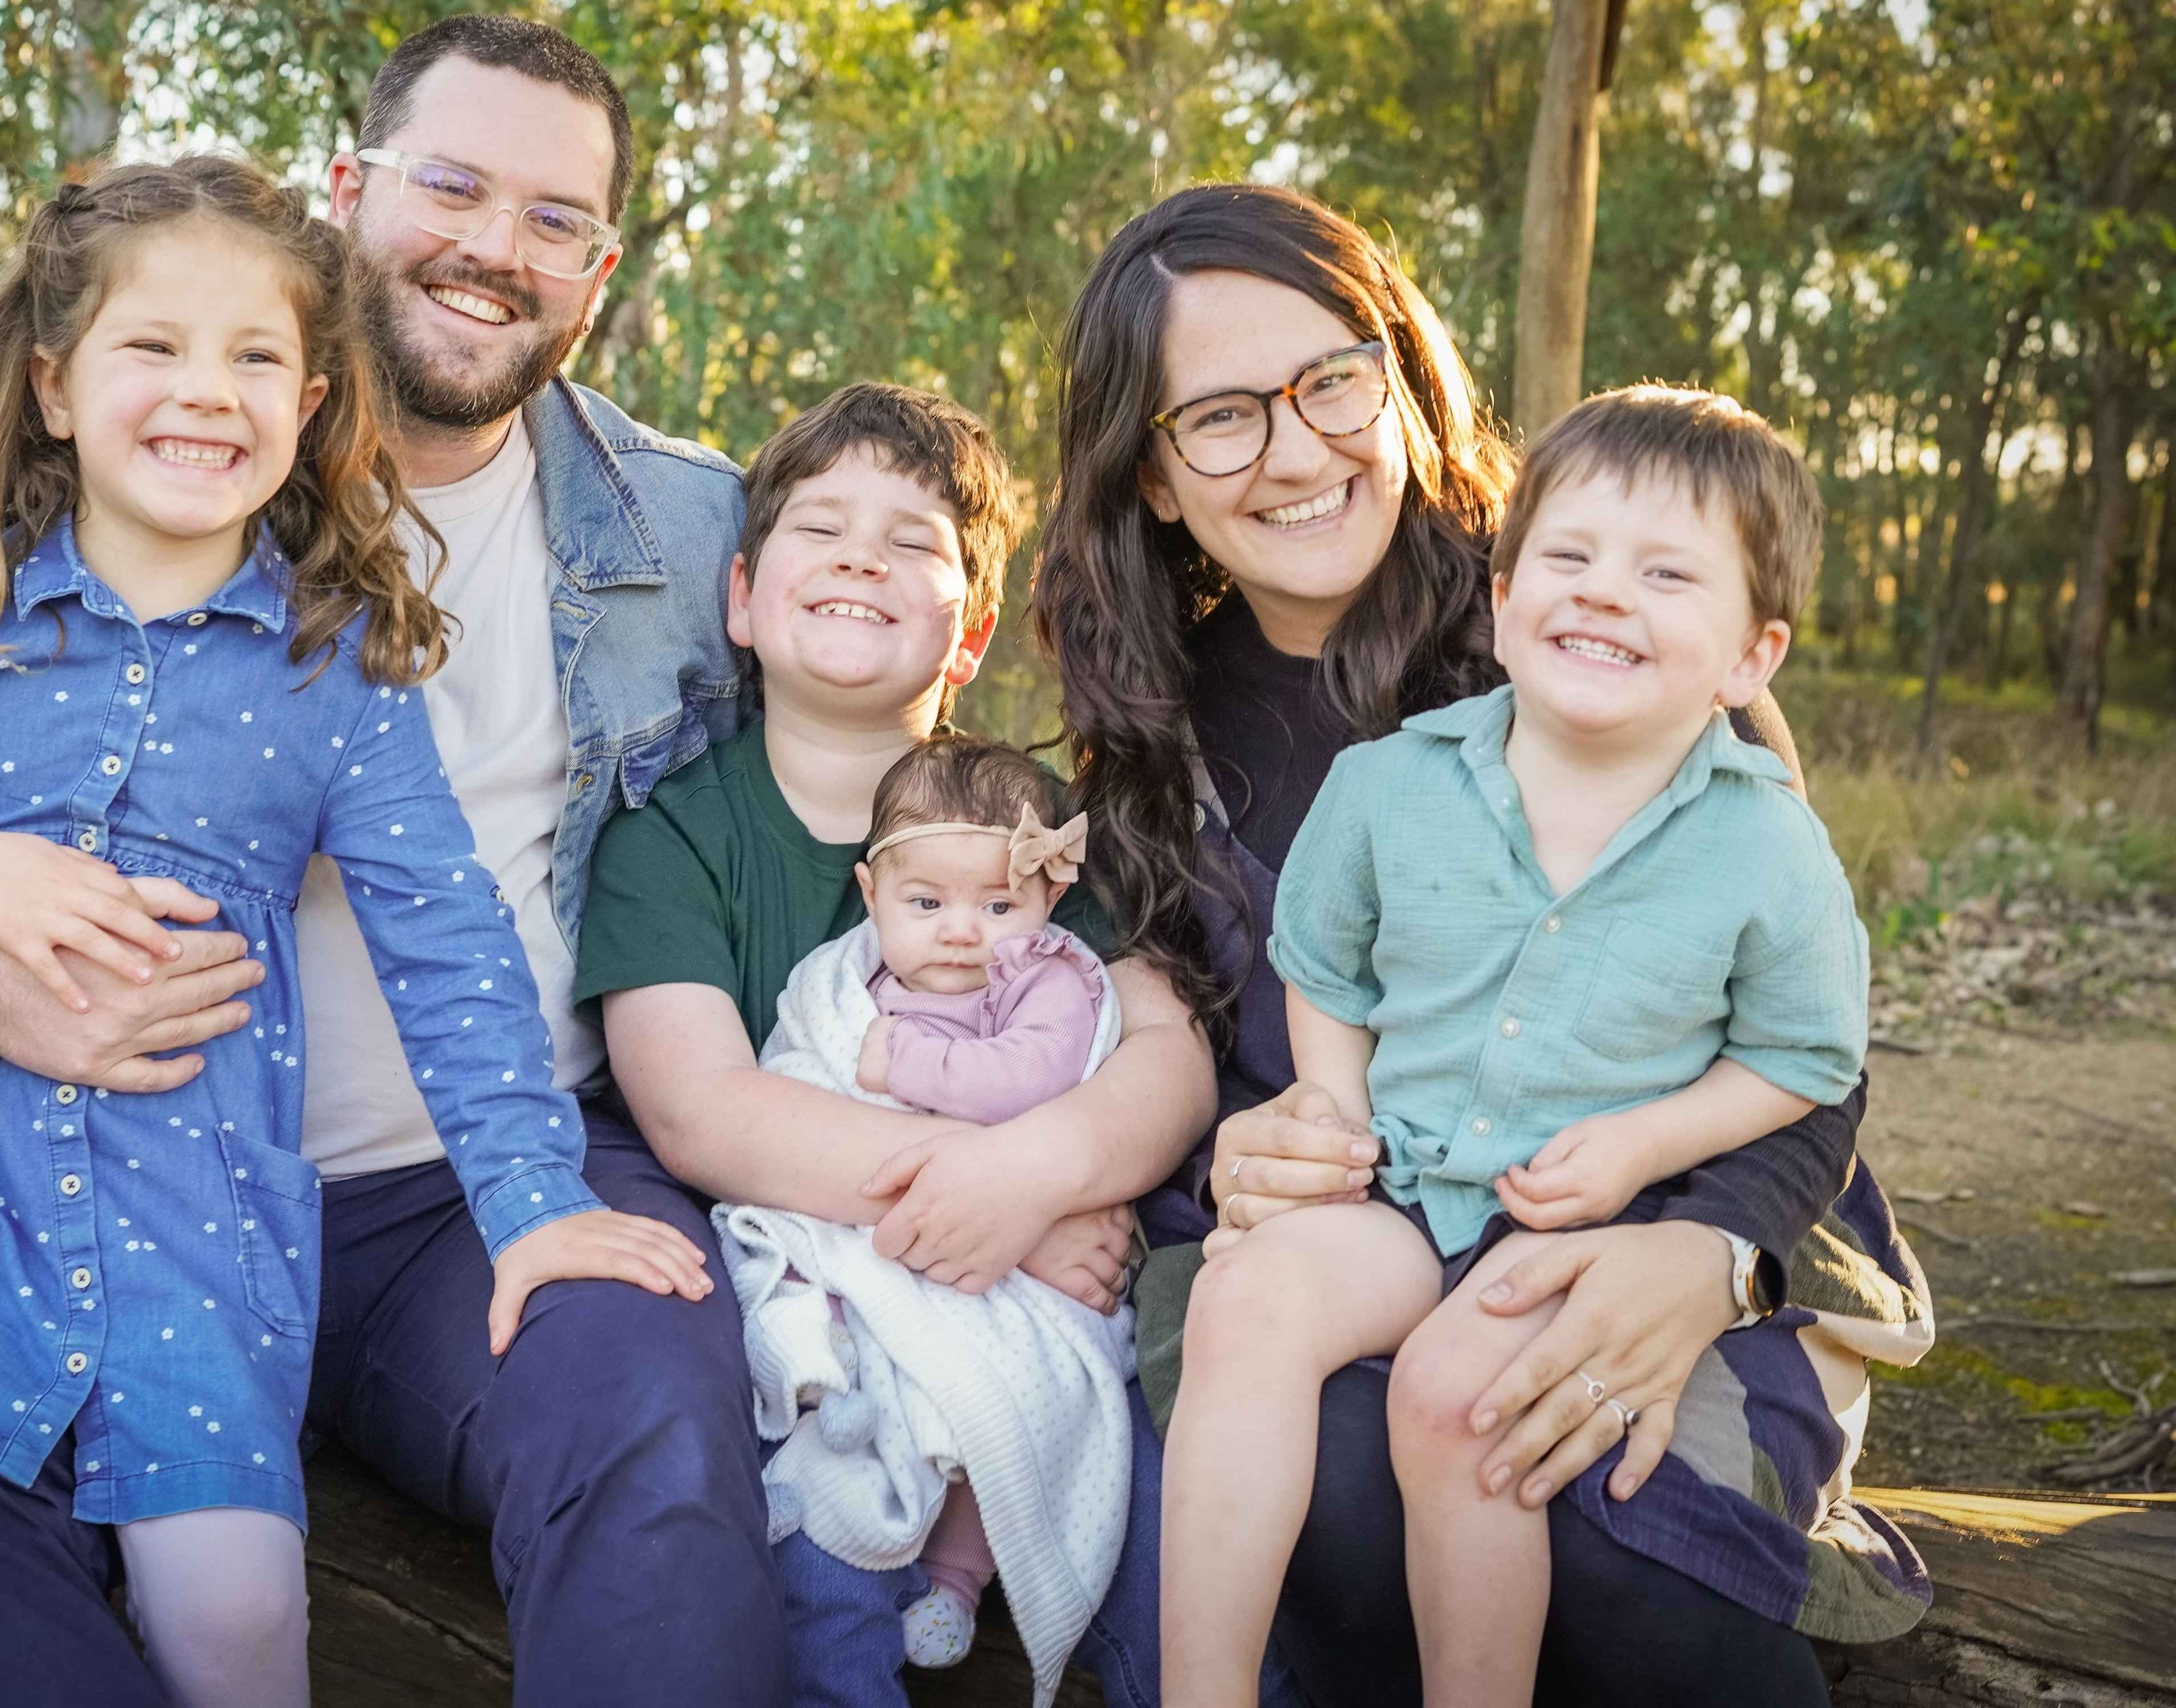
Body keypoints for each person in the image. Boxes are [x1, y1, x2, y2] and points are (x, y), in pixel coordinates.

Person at [0, 18, 788, 1708]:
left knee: (648, 1398)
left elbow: (847, 794)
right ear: (349, 190)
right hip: (59, 1176)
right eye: (453, 186)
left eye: (556, 219)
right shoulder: (46, 506)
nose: (496, 247)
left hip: (470, 1186)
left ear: (599, 271)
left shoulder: (694, 530)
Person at [1030, 181, 1934, 1707]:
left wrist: (1710, 1259)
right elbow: (1187, 1065)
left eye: (1331, 381)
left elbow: (1806, 1057)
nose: (1299, 450)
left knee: (1610, 1517)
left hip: (1675, 1216)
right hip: (1374, 1238)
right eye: (1223, 418)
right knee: (1348, 1489)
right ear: (1155, 477)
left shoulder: (1606, 618)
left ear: (1400, 375)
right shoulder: (1157, 744)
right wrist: (1237, 1156)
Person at [1160, 386, 1872, 1706]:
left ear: (1751, 657)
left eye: (1666, 574)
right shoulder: (1391, 784)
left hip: (1583, 1232)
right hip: (1406, 1185)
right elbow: (1324, 962)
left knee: (1456, 1397)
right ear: (1501, 600)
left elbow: (1807, 1058)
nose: (1605, 591)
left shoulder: (1767, 844)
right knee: (1245, 1299)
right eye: (1571, 556)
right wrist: (1332, 1106)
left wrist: (1648, 1142)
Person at [582, 382, 1212, 1708]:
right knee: (820, 1566)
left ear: (971, 630)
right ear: (742, 599)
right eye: (822, 529)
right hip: (828, 1312)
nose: (863, 558)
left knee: (1184, 1550)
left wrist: (1038, 1175)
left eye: (913, 541)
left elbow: (1167, 1053)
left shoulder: (1028, 828)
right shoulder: (673, 835)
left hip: (1047, 1302)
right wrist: (1001, 1207)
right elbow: (702, 1112)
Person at [720, 735, 1130, 1690]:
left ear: (1048, 896)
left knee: (1003, 1410)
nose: (962, 932)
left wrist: (908, 1063)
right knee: (827, 1511)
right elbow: (796, 1084)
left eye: (999, 905)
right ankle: (823, 1380)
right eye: (928, 904)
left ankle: (955, 1577)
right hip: (872, 1247)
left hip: (1003, 1263)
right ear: (872, 896)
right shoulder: (843, 984)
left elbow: (1031, 1080)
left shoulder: (1052, 981)